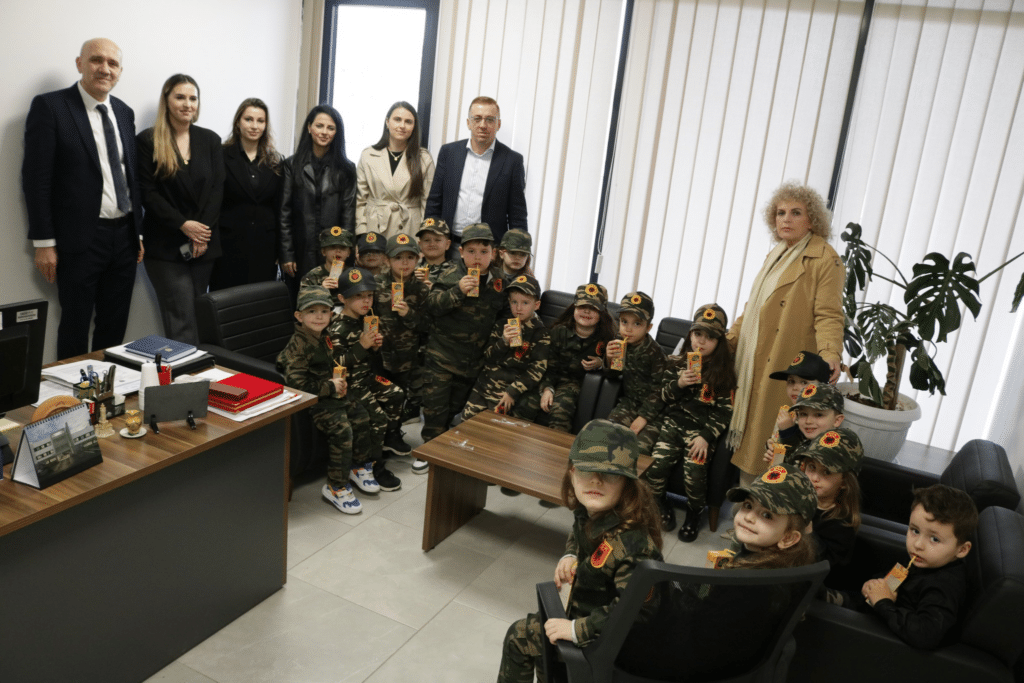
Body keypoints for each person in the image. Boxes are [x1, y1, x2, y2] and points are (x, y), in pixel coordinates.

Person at [617, 462, 819, 681]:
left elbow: (699, 629)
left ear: (788, 538)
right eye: (748, 505)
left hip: (693, 661)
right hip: (714, 647)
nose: (749, 517)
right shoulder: (782, 564)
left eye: (767, 515)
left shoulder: (749, 584)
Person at [496, 419, 663, 683]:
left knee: (520, 637)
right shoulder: (593, 512)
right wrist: (570, 554)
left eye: (610, 474)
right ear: (572, 473)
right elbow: (578, 531)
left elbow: (634, 612)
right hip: (585, 609)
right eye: (586, 470)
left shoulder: (633, 545)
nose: (596, 480)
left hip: (608, 642)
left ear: (627, 483)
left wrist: (576, 629)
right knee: (539, 646)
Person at [22, 38, 144, 359]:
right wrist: (43, 242)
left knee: (114, 327)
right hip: (79, 239)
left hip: (124, 238)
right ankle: (73, 391)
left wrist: (138, 232)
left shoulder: (124, 112)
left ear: (120, 71)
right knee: (75, 326)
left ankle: (108, 388)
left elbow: (132, 176)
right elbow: (36, 180)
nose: (105, 69)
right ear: (80, 64)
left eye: (113, 63)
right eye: (96, 60)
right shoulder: (52, 107)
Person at [726, 182, 845, 486]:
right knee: (754, 438)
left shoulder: (826, 259)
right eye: (780, 213)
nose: (786, 219)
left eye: (796, 213)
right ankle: (748, 505)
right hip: (757, 356)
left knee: (773, 440)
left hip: (787, 362)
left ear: (812, 220)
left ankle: (764, 506)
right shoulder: (777, 254)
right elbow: (753, 309)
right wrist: (729, 341)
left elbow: (829, 313)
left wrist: (831, 352)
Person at [136, 74, 224, 345]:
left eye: (193, 98)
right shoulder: (148, 140)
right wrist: (184, 226)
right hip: (166, 246)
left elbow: (217, 190)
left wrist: (201, 233)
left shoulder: (210, 139)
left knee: (200, 315)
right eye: (180, 97)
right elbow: (148, 193)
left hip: (203, 246)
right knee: (181, 319)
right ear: (167, 100)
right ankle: (185, 370)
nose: (187, 104)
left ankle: (198, 368)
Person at [415, 224, 507, 473]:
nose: (478, 258)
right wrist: (457, 291)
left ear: (493, 253)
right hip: (442, 356)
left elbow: (504, 315)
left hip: (473, 360)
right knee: (435, 408)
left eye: (484, 251)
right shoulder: (449, 274)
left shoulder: (500, 280)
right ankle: (428, 451)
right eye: (471, 251)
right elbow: (432, 305)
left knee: (455, 407)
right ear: (461, 252)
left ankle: (446, 449)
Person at [276, 286, 372, 514]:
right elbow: (298, 385)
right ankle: (336, 486)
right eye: (311, 311)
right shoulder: (299, 346)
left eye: (324, 311)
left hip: (331, 391)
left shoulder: (324, 335)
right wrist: (330, 386)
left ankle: (355, 466)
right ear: (299, 316)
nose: (319, 317)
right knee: (342, 430)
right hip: (313, 400)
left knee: (361, 416)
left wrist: (337, 382)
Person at [647, 304, 736, 541]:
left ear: (719, 341)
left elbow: (725, 412)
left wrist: (706, 437)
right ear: (690, 335)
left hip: (700, 433)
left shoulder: (723, 374)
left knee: (695, 474)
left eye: (710, 337)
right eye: (698, 334)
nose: (701, 342)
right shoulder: (676, 363)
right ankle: (660, 502)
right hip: (673, 426)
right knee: (655, 467)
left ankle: (694, 514)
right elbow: (664, 397)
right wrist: (679, 384)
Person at [859, 484, 977, 650]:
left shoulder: (945, 587)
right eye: (915, 530)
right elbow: (891, 582)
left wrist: (883, 602)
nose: (918, 544)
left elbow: (925, 634)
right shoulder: (923, 560)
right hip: (875, 614)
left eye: (934, 539)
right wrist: (874, 585)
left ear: (962, 549)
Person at [328, 267, 409, 492]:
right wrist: (362, 347)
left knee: (396, 394)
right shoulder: (337, 326)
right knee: (378, 418)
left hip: (366, 377)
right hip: (349, 384)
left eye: (369, 295)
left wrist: (373, 348)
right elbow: (336, 364)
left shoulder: (365, 320)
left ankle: (386, 441)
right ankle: (373, 465)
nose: (365, 301)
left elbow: (366, 358)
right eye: (358, 296)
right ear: (342, 298)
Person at [425, 96, 528, 252]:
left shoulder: (512, 161)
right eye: (477, 119)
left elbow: (517, 214)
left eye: (490, 120)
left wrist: (519, 251)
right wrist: (429, 241)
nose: (482, 125)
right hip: (449, 247)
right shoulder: (449, 153)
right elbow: (434, 202)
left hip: (489, 251)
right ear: (468, 122)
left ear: (498, 124)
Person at [279, 105, 356, 298]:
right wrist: (286, 253)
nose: (324, 132)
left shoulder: (346, 169)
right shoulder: (291, 165)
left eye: (330, 128)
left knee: (331, 301)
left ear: (337, 132)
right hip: (300, 248)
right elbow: (284, 213)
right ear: (309, 127)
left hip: (333, 252)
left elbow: (348, 215)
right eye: (319, 126)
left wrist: (344, 254)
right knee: (299, 300)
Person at [210, 97, 283, 290]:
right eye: (248, 119)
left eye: (260, 121)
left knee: (258, 302)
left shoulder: (276, 161)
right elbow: (213, 202)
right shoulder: (220, 155)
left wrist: (280, 250)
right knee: (226, 301)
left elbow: (279, 208)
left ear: (266, 125)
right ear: (238, 122)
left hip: (265, 247)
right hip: (228, 246)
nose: (254, 126)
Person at [461, 274, 549, 421]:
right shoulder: (502, 324)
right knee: (466, 424)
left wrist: (512, 392)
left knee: (492, 427)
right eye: (514, 302)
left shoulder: (541, 333)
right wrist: (503, 341)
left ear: (536, 305)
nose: (519, 308)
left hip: (507, 391)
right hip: (483, 386)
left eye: (525, 303)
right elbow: (488, 356)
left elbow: (536, 370)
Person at [540, 284, 616, 432]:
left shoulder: (607, 338)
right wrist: (547, 389)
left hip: (576, 386)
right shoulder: (559, 332)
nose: (587, 311)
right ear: (574, 307)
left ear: (602, 312)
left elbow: (614, 372)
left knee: (561, 407)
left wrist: (601, 363)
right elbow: (546, 366)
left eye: (593, 308)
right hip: (550, 379)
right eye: (582, 306)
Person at [355, 101, 435, 239]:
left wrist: (424, 237)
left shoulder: (424, 158)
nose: (402, 126)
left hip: (410, 228)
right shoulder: (368, 155)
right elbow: (360, 200)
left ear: (414, 126)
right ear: (387, 122)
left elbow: (427, 203)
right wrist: (361, 232)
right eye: (397, 119)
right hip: (375, 227)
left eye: (408, 122)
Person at [375, 233, 429, 423]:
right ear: (387, 260)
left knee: (405, 396)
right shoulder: (376, 285)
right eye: (398, 257)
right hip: (381, 353)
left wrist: (409, 314)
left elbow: (428, 326)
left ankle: (407, 414)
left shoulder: (422, 290)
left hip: (410, 356)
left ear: (418, 259)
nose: (404, 263)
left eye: (410, 257)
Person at [604, 292, 667, 456]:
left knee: (637, 450)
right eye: (624, 322)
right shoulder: (619, 342)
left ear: (648, 327)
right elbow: (613, 375)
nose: (628, 329)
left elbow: (660, 391)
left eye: (637, 323)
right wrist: (609, 359)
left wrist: (644, 417)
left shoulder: (656, 353)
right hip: (629, 404)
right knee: (608, 438)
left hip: (654, 412)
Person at [794, 426, 863, 572]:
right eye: (812, 467)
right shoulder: (796, 499)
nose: (814, 478)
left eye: (826, 472)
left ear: (844, 481)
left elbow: (827, 568)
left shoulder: (842, 526)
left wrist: (808, 532)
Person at [763, 351, 833, 456]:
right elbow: (784, 453)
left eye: (804, 382)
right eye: (791, 381)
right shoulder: (791, 412)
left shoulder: (822, 418)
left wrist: (788, 432)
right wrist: (772, 446)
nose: (795, 388)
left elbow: (806, 456)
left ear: (823, 387)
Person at [415, 217, 453, 284]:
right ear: (420, 244)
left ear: (447, 244)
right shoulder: (412, 270)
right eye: (427, 240)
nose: (432, 244)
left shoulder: (457, 271)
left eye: (437, 240)